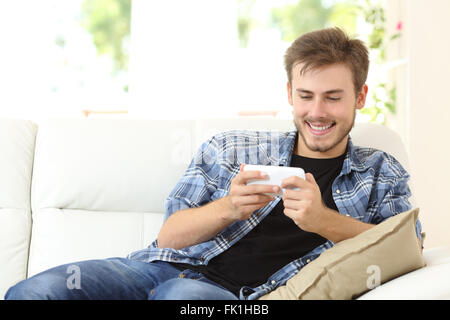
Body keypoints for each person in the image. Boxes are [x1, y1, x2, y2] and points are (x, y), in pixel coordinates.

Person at [5, 27, 423, 300]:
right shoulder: (230, 147)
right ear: (290, 94)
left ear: (360, 97)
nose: (317, 112)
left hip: (245, 297)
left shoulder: (380, 172)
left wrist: (322, 220)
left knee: (181, 302)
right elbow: (170, 235)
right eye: (306, 95)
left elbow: (407, 247)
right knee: (33, 293)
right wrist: (230, 208)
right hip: (159, 270)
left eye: (333, 97)